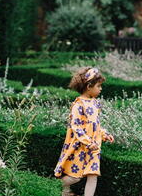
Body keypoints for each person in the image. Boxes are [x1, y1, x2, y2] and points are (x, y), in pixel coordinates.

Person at [54, 67, 114, 196]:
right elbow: (76, 126)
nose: (101, 89)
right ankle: (54, 187)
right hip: (81, 147)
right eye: (99, 86)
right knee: (76, 177)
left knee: (93, 175)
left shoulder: (95, 103)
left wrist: (104, 134)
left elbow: (95, 125)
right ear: (89, 86)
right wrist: (87, 142)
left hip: (93, 147)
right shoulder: (78, 105)